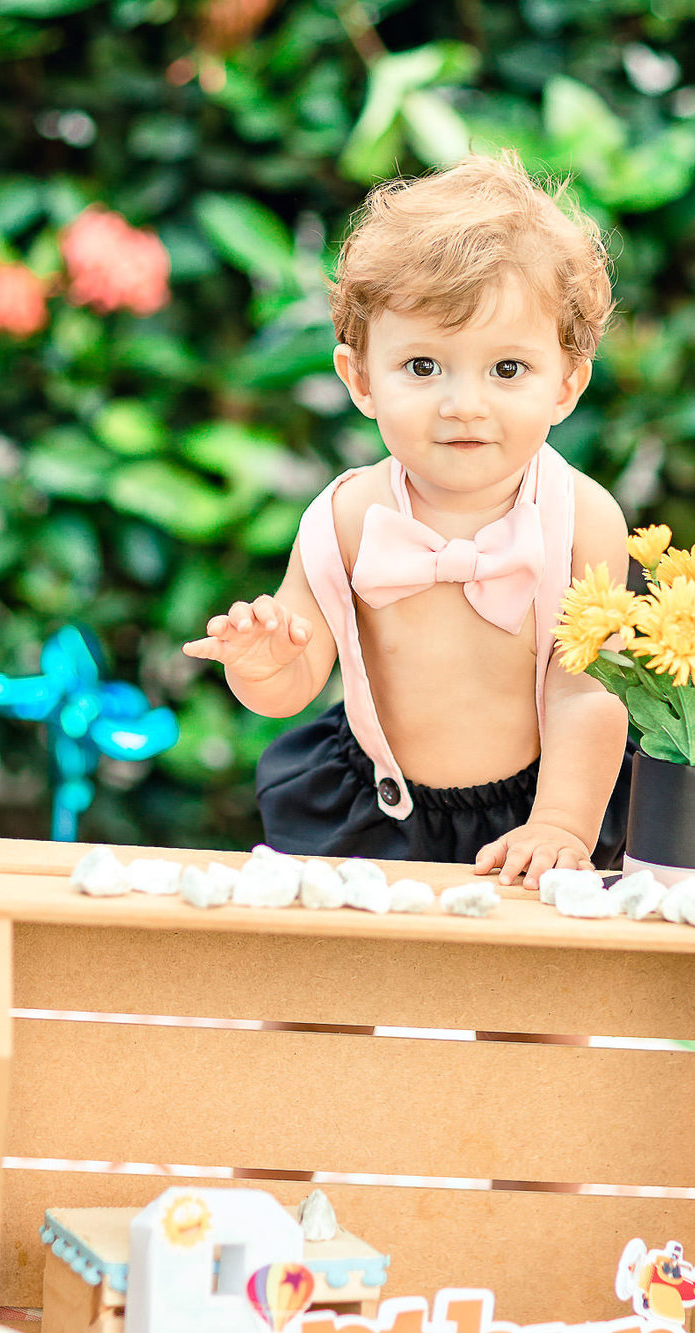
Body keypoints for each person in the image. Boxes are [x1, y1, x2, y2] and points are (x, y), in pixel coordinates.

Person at [182, 152, 630, 888]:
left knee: (528, 991)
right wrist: (265, 666)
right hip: (375, 807)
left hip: (542, 803)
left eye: (507, 369)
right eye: (424, 367)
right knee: (320, 986)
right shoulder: (348, 517)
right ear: (359, 378)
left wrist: (560, 825)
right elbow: (294, 681)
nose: (463, 404)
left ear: (567, 385)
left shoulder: (583, 518)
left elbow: (589, 689)